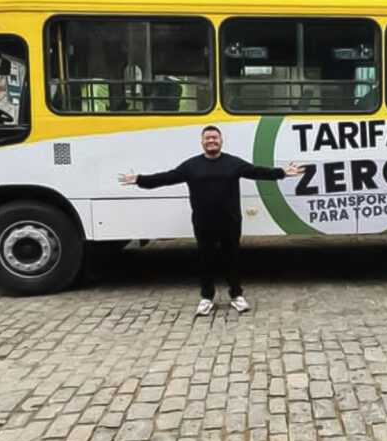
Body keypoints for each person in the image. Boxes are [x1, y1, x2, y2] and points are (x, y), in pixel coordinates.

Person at [118, 125, 303, 315]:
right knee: (206, 261)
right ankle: (206, 298)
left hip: (230, 222)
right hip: (203, 223)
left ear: (221, 141)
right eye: (207, 138)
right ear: (202, 142)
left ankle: (237, 296)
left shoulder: (233, 163)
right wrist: (140, 179)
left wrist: (282, 173)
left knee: (232, 259)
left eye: (214, 138)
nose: (211, 141)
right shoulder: (191, 166)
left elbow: (257, 172)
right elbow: (166, 177)